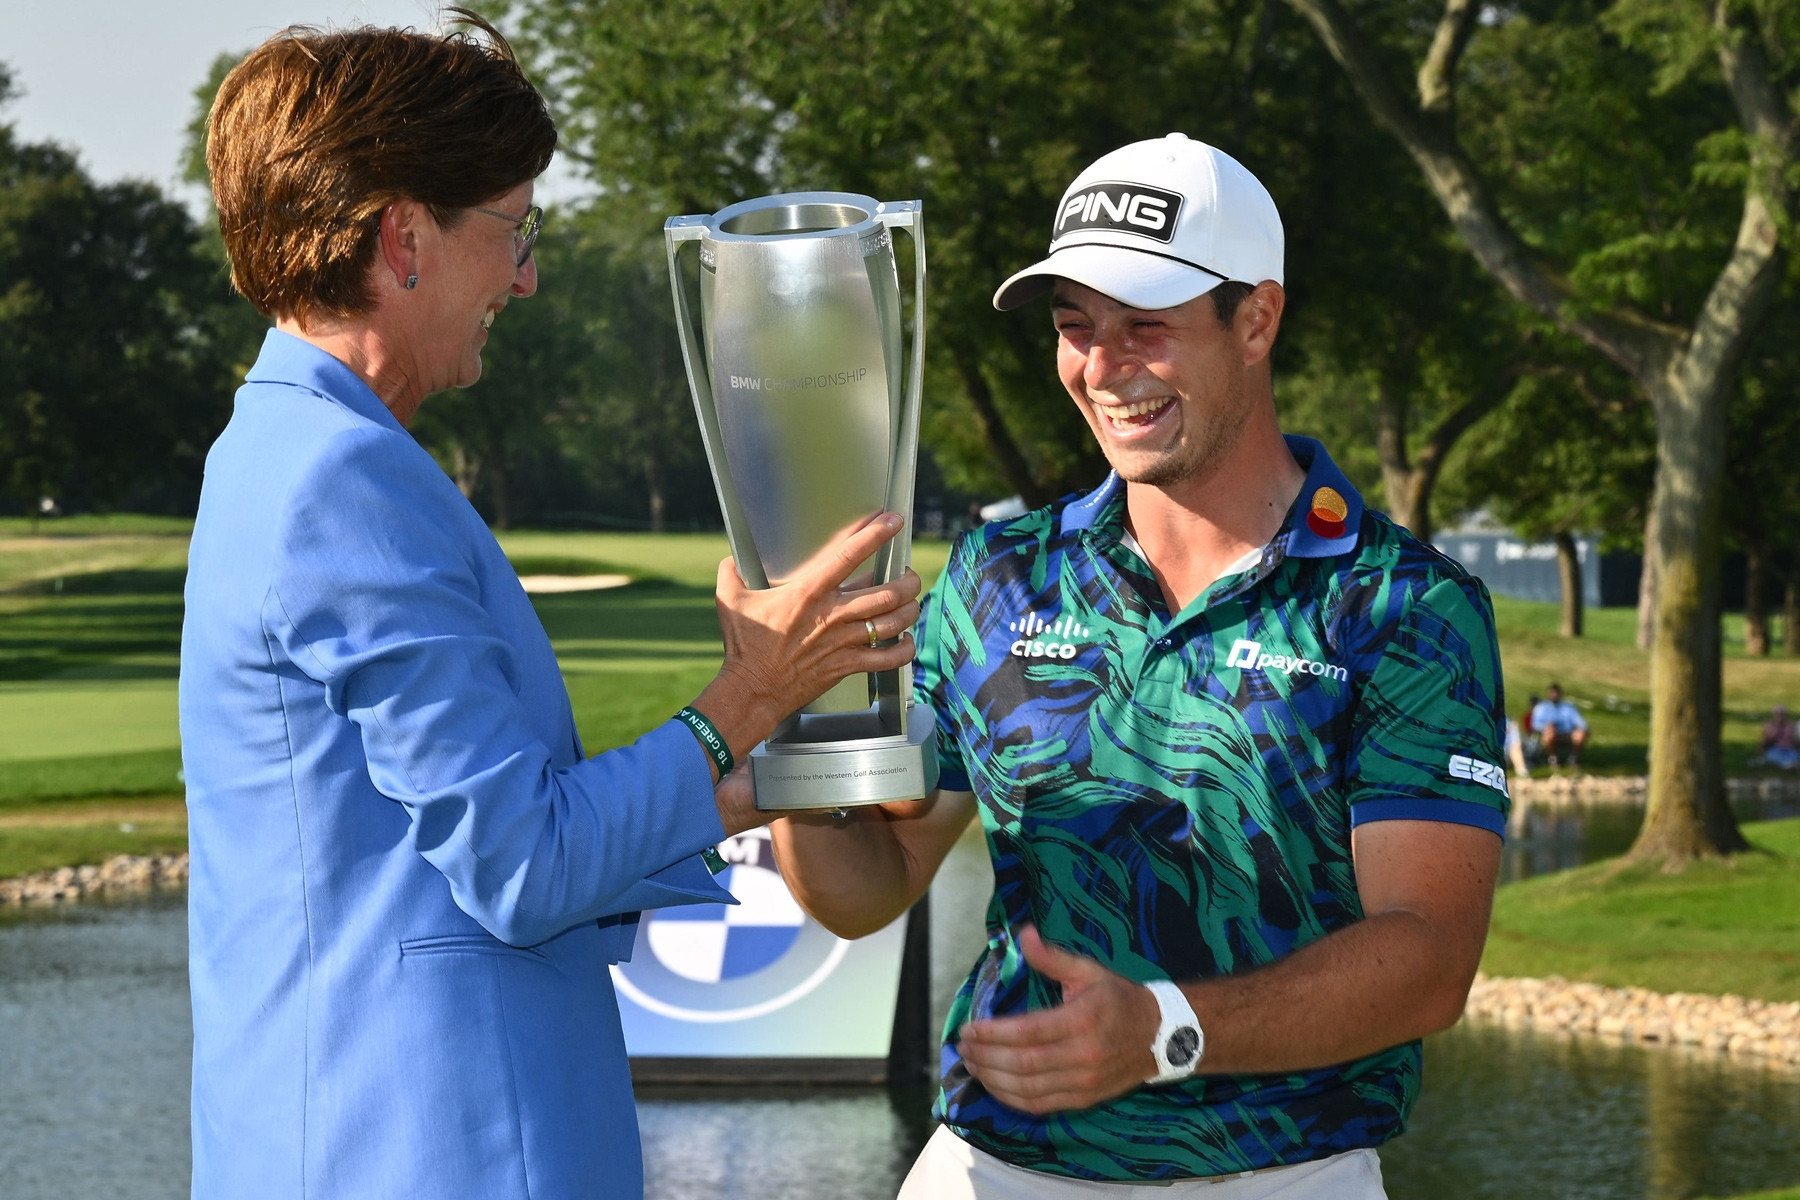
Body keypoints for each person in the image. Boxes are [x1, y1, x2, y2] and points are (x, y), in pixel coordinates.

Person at [179, 16, 919, 1200]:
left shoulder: (281, 447)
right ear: (403, 238)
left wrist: (733, 785)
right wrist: (746, 696)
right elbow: (521, 865)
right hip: (431, 1154)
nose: (524, 277)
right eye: (514, 229)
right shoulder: (340, 478)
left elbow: (444, 845)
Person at [766, 135, 1508, 1198]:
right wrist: (795, 718)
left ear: (1257, 320)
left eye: (1145, 326)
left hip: (1281, 1176)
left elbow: (1430, 958)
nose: (1102, 369)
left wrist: (1162, 1031)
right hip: (991, 1165)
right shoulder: (1000, 576)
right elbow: (868, 886)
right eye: (1075, 327)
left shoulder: (1404, 604)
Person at [1530, 684, 1588, 767]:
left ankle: (1573, 758)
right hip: (1549, 734)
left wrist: (1581, 728)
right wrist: (1547, 727)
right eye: (1552, 693)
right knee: (1550, 730)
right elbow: (1535, 724)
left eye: (1556, 693)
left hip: (1567, 734)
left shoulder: (1568, 708)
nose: (1554, 695)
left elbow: (1580, 722)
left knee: (1580, 734)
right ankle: (1553, 758)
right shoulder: (1542, 708)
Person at [1758, 705, 1799, 770]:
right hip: (1775, 749)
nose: (1780, 717)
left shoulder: (1790, 725)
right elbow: (1764, 741)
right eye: (1778, 714)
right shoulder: (1769, 726)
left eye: (1782, 714)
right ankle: (1787, 765)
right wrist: (1760, 753)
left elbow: (1794, 740)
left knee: (1794, 755)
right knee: (1772, 756)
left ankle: (1790, 764)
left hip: (1789, 749)